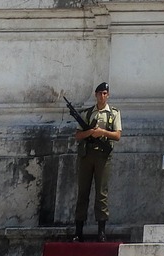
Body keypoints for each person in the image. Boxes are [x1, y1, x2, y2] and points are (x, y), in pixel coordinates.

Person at [73, 81, 121, 242]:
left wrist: (102, 133)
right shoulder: (87, 113)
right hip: (87, 155)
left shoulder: (113, 113)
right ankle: (78, 231)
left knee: (101, 193)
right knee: (83, 193)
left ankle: (101, 230)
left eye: (105, 93)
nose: (102, 96)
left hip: (103, 156)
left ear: (108, 95)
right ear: (96, 94)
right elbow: (78, 135)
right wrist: (90, 133)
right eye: (100, 93)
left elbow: (117, 135)